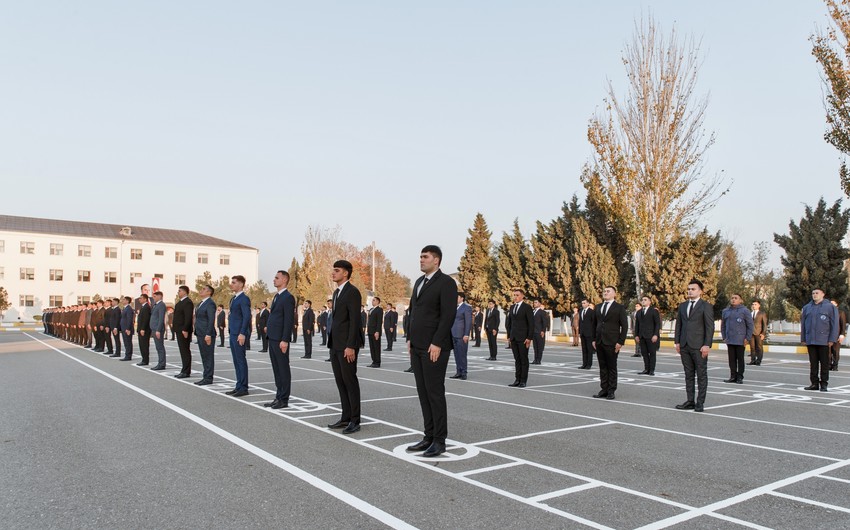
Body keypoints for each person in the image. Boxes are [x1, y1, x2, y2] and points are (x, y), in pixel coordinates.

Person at [406, 245, 458, 457]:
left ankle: (439, 439)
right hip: (417, 345)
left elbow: (448, 316)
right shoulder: (419, 282)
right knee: (423, 392)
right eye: (420, 256)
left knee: (435, 393)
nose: (421, 260)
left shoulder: (446, 283)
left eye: (425, 257)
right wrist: (409, 337)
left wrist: (437, 342)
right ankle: (428, 435)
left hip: (434, 347)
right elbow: (413, 311)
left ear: (436, 260)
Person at [327, 260, 365, 434]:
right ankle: (345, 416)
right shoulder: (336, 292)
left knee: (350, 381)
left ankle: (355, 420)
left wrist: (351, 345)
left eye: (337, 270)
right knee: (340, 381)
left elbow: (355, 321)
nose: (333, 273)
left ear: (346, 273)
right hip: (335, 344)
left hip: (347, 346)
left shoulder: (352, 292)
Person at [674, 279, 715, 412]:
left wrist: (707, 344)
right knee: (688, 374)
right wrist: (677, 342)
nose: (690, 291)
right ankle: (690, 400)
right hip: (685, 345)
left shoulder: (705, 306)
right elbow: (679, 325)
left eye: (693, 289)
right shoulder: (683, 306)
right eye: (689, 289)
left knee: (701, 374)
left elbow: (710, 327)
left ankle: (700, 402)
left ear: (700, 291)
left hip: (699, 346)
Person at [592, 286, 629, 400]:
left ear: (614, 294)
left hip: (612, 342)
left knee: (612, 367)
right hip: (599, 341)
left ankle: (611, 390)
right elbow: (594, 324)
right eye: (604, 291)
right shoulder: (598, 307)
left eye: (608, 291)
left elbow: (625, 326)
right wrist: (593, 339)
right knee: (602, 367)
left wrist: (620, 342)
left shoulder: (619, 308)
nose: (605, 293)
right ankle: (604, 389)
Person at [264, 271, 295, 408]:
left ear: (284, 280)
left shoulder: (288, 297)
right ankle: (278, 396)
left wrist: (285, 339)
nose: (274, 280)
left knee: (283, 369)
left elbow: (288, 320)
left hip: (280, 339)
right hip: (273, 337)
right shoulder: (277, 296)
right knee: (276, 369)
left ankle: (284, 399)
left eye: (277, 278)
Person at [801, 288, 839, 392]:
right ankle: (814, 383)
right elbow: (803, 325)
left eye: (817, 293)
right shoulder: (807, 307)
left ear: (823, 294)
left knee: (824, 363)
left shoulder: (830, 307)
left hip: (824, 340)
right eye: (813, 293)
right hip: (811, 340)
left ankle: (824, 384)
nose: (814, 295)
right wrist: (803, 338)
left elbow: (834, 325)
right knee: (813, 363)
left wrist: (832, 339)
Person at [227, 275, 252, 397]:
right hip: (233, 333)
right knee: (236, 360)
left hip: (239, 334)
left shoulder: (244, 299)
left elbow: (247, 316)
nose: (231, 284)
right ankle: (239, 385)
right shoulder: (234, 298)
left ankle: (244, 387)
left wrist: (242, 333)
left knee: (241, 360)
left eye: (234, 282)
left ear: (241, 284)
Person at [721, 293, 753, 384]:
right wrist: (724, 336)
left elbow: (750, 325)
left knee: (740, 359)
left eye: (736, 298)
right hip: (730, 339)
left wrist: (748, 337)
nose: (733, 300)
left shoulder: (745, 311)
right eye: (732, 298)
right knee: (731, 359)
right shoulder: (726, 311)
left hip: (740, 339)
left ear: (741, 300)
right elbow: (723, 325)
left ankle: (740, 377)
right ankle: (732, 376)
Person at [506, 288, 534, 388]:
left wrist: (529, 337)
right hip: (513, 337)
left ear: (522, 296)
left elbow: (531, 323)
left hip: (523, 338)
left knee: (523, 360)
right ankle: (517, 379)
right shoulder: (512, 307)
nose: (515, 297)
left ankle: (523, 380)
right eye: (514, 295)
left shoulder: (527, 307)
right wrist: (509, 335)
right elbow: (509, 322)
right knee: (517, 360)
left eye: (517, 295)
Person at [194, 285, 217, 385]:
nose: (201, 290)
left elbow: (211, 319)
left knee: (208, 356)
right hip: (200, 333)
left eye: (203, 289)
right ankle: (205, 376)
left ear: (209, 292)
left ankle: (208, 378)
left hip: (206, 334)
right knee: (204, 355)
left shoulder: (210, 303)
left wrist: (208, 334)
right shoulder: (201, 303)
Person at [634, 295, 661, 375]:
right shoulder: (639, 312)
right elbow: (637, 325)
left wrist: (655, 335)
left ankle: (652, 370)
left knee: (652, 353)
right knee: (644, 353)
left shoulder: (654, 311)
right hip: (642, 336)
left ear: (649, 302)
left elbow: (657, 324)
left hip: (651, 336)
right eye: (642, 300)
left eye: (645, 300)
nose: (643, 301)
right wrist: (636, 335)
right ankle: (646, 369)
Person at [172, 285, 194, 378]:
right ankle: (184, 369)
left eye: (180, 291)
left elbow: (188, 317)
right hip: (179, 330)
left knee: (185, 350)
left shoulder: (188, 302)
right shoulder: (179, 303)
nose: (178, 292)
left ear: (185, 292)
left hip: (183, 330)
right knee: (182, 350)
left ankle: (186, 371)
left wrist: (185, 329)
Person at [450, 292, 472, 380]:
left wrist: (466, 334)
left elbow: (468, 322)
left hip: (462, 335)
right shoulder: (454, 308)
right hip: (453, 334)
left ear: (462, 298)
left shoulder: (466, 308)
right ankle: (458, 371)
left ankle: (464, 372)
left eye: (457, 297)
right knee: (456, 354)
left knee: (462, 354)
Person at [150, 291, 167, 370]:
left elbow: (161, 318)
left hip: (158, 329)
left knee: (160, 347)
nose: (154, 298)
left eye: (155, 296)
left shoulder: (161, 305)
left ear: (160, 296)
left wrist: (158, 330)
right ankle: (160, 362)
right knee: (158, 347)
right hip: (154, 328)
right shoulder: (155, 305)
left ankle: (162, 364)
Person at [748, 300, 769, 366]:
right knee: (752, 347)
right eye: (753, 304)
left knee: (759, 347)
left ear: (759, 305)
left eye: (755, 304)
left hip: (758, 333)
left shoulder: (762, 313)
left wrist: (763, 333)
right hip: (751, 333)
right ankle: (752, 360)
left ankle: (758, 360)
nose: (754, 306)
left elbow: (765, 324)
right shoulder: (750, 313)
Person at [578, 299, 597, 369]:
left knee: (589, 350)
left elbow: (594, 323)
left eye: (584, 303)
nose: (583, 304)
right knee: (584, 349)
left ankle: (589, 364)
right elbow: (580, 323)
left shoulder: (591, 312)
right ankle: (584, 364)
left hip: (589, 333)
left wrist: (593, 334)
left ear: (588, 303)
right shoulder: (581, 311)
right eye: (582, 303)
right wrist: (580, 332)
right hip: (583, 333)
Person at [367, 297, 384, 368]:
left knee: (376, 347)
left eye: (374, 300)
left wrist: (377, 331)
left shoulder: (379, 310)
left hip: (375, 331)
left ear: (377, 302)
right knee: (372, 347)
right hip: (370, 331)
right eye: (372, 300)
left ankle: (377, 362)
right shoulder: (371, 310)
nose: (372, 302)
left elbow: (379, 322)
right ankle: (373, 361)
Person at [136, 294, 152, 366]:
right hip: (140, 329)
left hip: (144, 330)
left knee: (144, 345)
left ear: (145, 299)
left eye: (141, 298)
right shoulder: (143, 307)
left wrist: (143, 328)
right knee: (141, 345)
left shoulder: (146, 307)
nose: (139, 299)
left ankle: (145, 360)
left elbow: (146, 319)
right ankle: (143, 359)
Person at [531, 300, 549, 365]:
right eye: (534, 302)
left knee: (540, 347)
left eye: (536, 302)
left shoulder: (542, 312)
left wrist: (543, 331)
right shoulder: (532, 312)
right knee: (535, 347)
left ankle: (539, 360)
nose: (534, 304)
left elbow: (544, 322)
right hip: (533, 332)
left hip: (539, 332)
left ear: (539, 304)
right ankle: (535, 359)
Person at [830, 300, 846, 371]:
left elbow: (843, 324)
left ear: (836, 304)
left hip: (837, 335)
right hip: (827, 335)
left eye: (833, 303)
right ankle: (828, 365)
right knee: (828, 352)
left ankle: (835, 366)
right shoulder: (827, 312)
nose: (831, 305)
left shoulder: (840, 313)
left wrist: (842, 334)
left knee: (835, 351)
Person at [119, 296, 135, 361]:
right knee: (126, 342)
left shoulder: (129, 309)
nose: (122, 301)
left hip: (127, 328)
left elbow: (129, 319)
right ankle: (127, 355)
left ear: (127, 301)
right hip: (123, 328)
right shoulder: (124, 308)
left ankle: (128, 356)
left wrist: (128, 328)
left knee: (128, 342)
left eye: (124, 300)